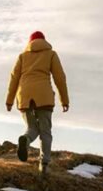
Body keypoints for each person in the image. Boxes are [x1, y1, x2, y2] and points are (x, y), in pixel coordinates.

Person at [5, 31, 69, 174]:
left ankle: (26, 140)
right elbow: (60, 78)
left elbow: (13, 78)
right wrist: (64, 100)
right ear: (44, 41)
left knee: (31, 127)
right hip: (44, 96)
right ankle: (44, 164)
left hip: (24, 96)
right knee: (45, 131)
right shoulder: (51, 54)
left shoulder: (22, 56)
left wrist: (9, 101)